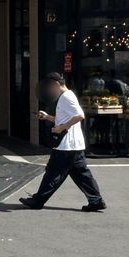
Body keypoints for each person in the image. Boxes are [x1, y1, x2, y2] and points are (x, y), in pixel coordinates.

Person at [20, 73, 107, 212]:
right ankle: (96, 200)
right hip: (72, 145)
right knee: (82, 175)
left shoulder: (66, 97)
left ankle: (37, 201)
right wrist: (47, 117)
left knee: (53, 173)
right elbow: (64, 119)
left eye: (49, 86)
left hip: (66, 145)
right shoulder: (65, 97)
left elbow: (80, 115)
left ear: (55, 84)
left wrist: (61, 127)